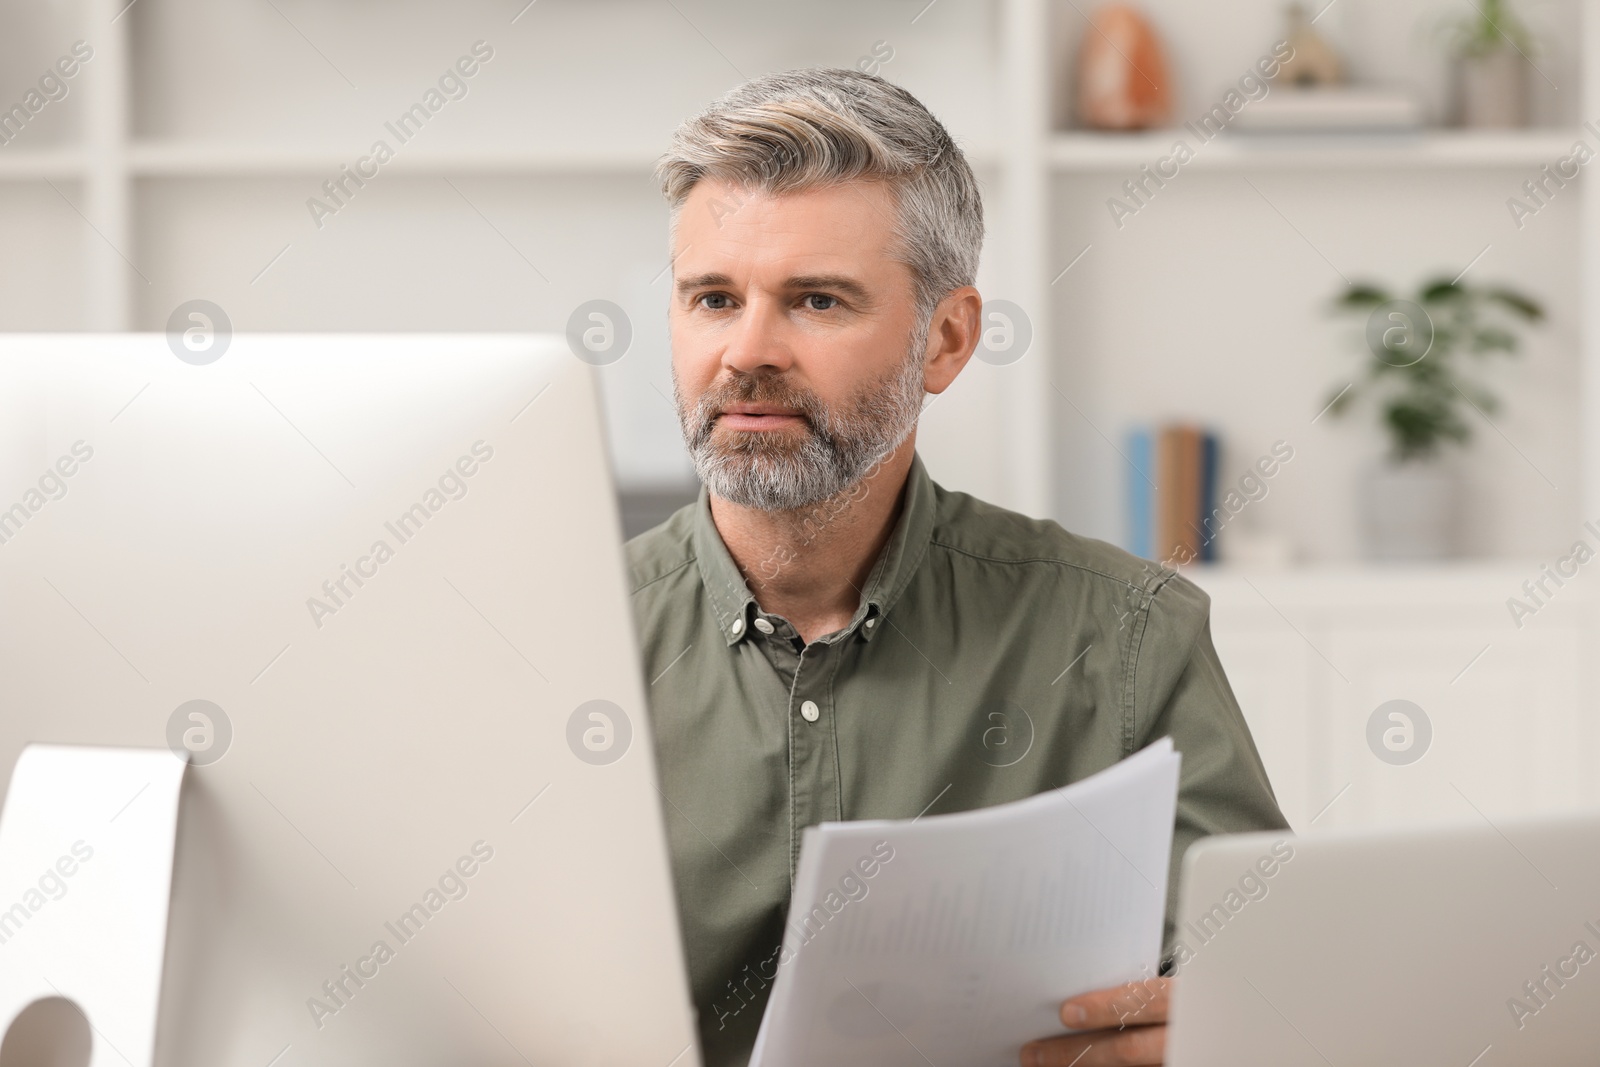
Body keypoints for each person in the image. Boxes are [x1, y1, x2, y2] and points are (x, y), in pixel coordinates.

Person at [627, 67, 1288, 1067]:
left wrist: (1216, 1027)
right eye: (713, 297)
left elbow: (1260, 991)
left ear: (945, 339)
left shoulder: (1127, 635)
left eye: (815, 299)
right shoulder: (564, 641)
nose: (747, 351)